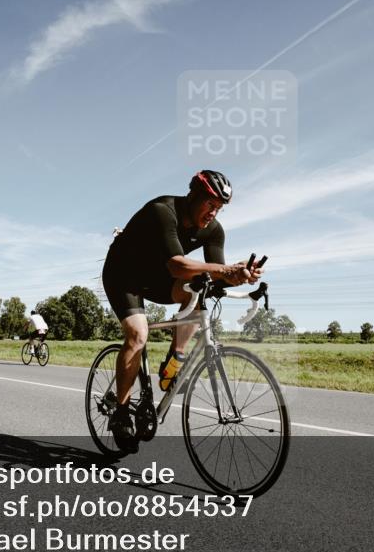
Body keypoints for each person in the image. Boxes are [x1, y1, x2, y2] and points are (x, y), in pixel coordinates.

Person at [101, 170, 262, 452]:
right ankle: (121, 412)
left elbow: (215, 275)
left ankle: (174, 360)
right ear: (193, 196)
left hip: (159, 278)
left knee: (200, 290)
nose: (213, 213)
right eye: (210, 204)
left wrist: (240, 274)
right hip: (124, 274)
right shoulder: (163, 211)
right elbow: (178, 265)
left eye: (219, 208)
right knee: (138, 335)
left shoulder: (214, 231)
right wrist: (226, 270)